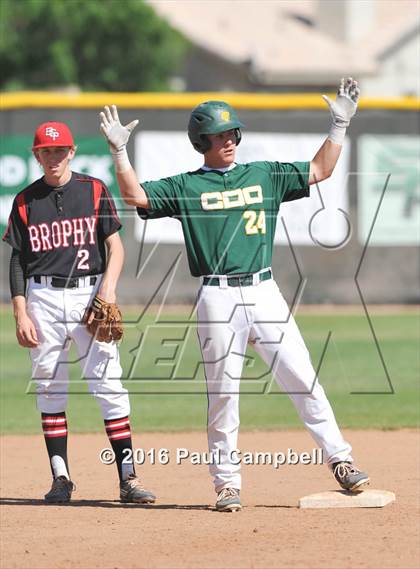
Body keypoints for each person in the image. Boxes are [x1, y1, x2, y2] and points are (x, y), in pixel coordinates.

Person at [99, 77, 369, 512]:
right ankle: (226, 484)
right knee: (223, 392)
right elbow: (134, 196)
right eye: (216, 135)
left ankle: (341, 459)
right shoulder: (187, 186)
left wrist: (339, 124)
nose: (226, 141)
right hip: (217, 297)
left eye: (230, 133)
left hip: (264, 290)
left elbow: (321, 170)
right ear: (200, 141)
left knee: (302, 378)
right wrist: (118, 152)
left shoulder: (263, 174)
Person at [3, 121, 156, 505]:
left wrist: (108, 288)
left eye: (59, 151)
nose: (52, 157)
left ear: (71, 153)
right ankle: (61, 478)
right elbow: (18, 261)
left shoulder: (93, 190)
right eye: (45, 151)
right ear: (36, 156)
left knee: (110, 388)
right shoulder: (24, 201)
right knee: (50, 390)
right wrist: (20, 311)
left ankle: (128, 480)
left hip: (90, 294)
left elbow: (115, 247)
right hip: (43, 299)